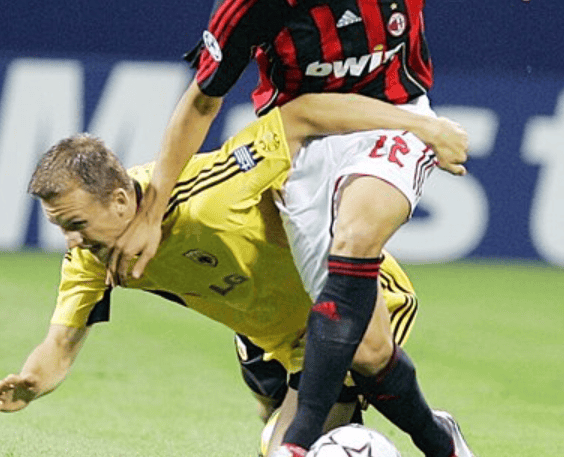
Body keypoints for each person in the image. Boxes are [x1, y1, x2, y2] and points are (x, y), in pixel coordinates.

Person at [107, 0, 556, 455]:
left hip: (396, 117)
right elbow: (201, 103)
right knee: (368, 350)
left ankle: (297, 441)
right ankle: (438, 438)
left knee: (357, 232)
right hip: (303, 143)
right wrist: (150, 210)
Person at [0, 92, 465, 457]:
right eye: (62, 228)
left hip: (353, 303)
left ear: (121, 201)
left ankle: (434, 437)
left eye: (76, 224)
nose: (72, 241)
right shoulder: (93, 257)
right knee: (278, 421)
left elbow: (299, 116)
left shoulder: (211, 194)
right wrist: (32, 382)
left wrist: (420, 125)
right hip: (267, 336)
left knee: (293, 443)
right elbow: (61, 342)